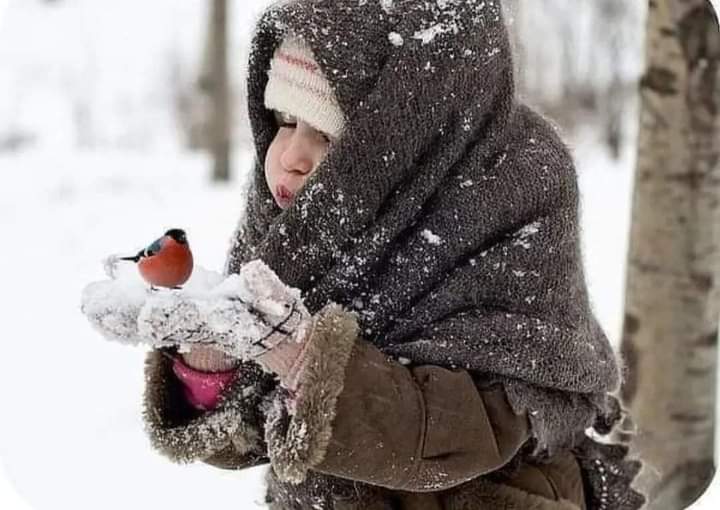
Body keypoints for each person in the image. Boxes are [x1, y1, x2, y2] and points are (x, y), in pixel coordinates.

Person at [141, 1, 646, 508]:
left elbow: (469, 436)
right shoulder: (296, 225)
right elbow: (254, 433)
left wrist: (306, 364)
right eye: (283, 121)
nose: (291, 155)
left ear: (400, 139)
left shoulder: (512, 190)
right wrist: (213, 363)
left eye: (325, 133)